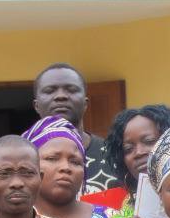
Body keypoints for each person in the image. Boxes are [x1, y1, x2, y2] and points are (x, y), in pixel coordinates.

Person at [33, 63, 119, 192]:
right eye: (50, 91)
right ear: (36, 106)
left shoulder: (114, 155)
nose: (60, 96)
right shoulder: (24, 157)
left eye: (71, 90)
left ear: (85, 104)